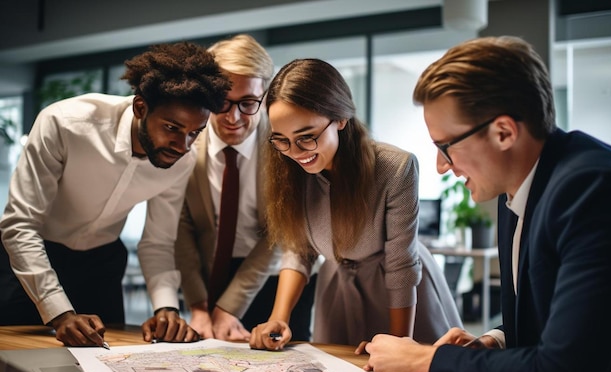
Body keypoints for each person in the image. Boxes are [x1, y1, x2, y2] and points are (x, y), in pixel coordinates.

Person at [357, 36, 611, 372]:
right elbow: (550, 321)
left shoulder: (593, 190)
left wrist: (426, 361)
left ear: (503, 132)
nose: (440, 165)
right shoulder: (515, 185)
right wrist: (493, 342)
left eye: (445, 146)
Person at [0, 41, 231, 347]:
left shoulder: (182, 159)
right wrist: (60, 314)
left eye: (194, 133)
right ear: (140, 108)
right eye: (172, 127)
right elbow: (20, 226)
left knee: (105, 370)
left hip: (103, 266)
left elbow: (158, 242)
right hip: (34, 260)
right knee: (17, 369)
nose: (183, 145)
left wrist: (166, 308)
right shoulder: (65, 125)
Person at [248, 58, 462, 350]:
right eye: (281, 140)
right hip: (338, 292)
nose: (295, 153)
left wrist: (400, 345)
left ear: (340, 118)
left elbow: (400, 264)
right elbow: (299, 251)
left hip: (401, 297)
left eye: (306, 138)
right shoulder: (289, 169)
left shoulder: (395, 168)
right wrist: (278, 317)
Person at [175, 34, 315, 342]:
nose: (233, 117)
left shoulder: (285, 145)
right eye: (220, 101)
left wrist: (230, 307)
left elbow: (279, 232)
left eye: (248, 103)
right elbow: (181, 227)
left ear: (265, 96)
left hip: (279, 276)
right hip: (212, 275)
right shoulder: (184, 143)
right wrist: (198, 306)